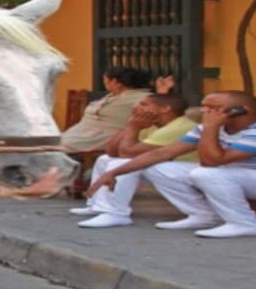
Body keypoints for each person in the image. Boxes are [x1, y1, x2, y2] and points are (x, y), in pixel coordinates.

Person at [86, 90, 256, 238]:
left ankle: (245, 224)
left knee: (206, 174)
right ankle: (203, 215)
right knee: (156, 166)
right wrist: (115, 173)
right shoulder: (211, 126)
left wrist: (211, 128)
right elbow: (163, 152)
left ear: (243, 110)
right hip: (249, 176)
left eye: (214, 108)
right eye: (205, 107)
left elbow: (211, 161)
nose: (205, 112)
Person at [69, 93, 196, 227]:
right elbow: (112, 151)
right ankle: (99, 206)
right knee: (105, 159)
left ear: (165, 109)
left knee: (122, 163)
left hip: (185, 168)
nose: (136, 107)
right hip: (165, 166)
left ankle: (116, 213)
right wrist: (130, 124)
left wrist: (133, 127)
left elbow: (126, 154)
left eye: (144, 104)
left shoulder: (178, 127)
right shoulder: (151, 124)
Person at [61, 65, 153, 152]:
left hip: (105, 136)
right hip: (82, 133)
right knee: (52, 144)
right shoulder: (111, 96)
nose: (104, 82)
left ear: (116, 82)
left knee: (56, 148)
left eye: (106, 80)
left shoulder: (142, 98)